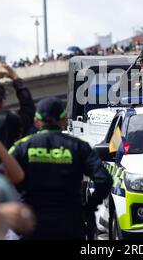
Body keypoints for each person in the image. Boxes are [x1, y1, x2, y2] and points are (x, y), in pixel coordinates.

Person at [9, 96, 112, 239]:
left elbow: (1, 179)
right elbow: (104, 180)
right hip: (71, 224)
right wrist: (89, 207)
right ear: (64, 121)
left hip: (33, 224)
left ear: (37, 122)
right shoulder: (79, 146)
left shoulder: (22, 147)